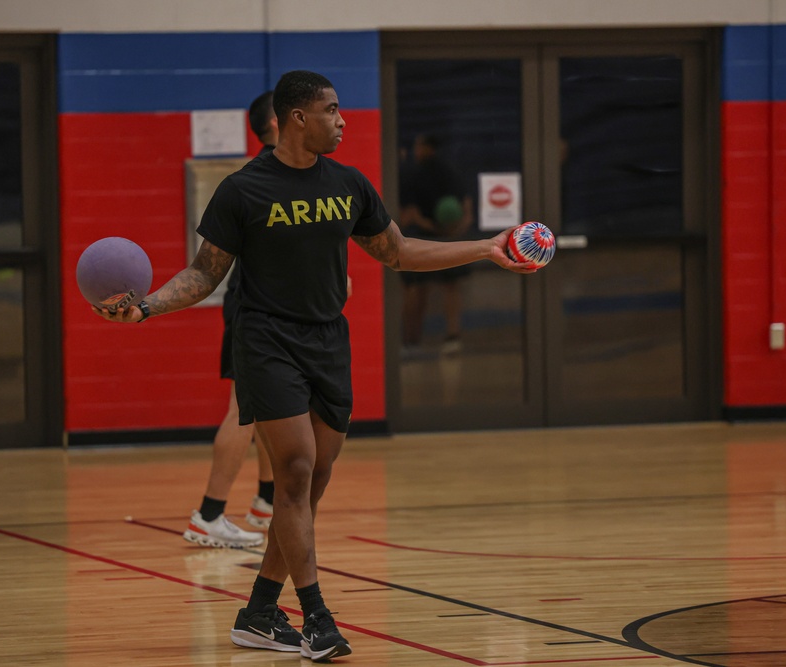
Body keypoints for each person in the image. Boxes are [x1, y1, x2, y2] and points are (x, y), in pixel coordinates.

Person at [94, 70, 535, 662]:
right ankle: (318, 619)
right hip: (266, 342)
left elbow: (399, 252)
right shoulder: (242, 190)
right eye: (332, 110)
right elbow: (204, 273)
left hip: (329, 342)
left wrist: (486, 248)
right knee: (296, 470)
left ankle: (257, 612)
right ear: (297, 118)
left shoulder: (348, 183)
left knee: (312, 483)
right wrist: (146, 308)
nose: (343, 120)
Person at [182, 90, 278, 549]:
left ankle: (266, 503)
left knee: (272, 409)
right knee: (243, 410)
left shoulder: (294, 171)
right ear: (282, 122)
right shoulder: (258, 179)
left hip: (279, 309)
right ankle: (209, 515)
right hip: (255, 308)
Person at [398, 133, 474, 352]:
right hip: (449, 237)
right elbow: (467, 209)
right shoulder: (451, 172)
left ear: (426, 148)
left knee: (416, 289)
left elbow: (409, 215)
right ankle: (453, 336)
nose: (415, 151)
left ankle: (411, 340)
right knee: (450, 287)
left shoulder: (413, 174)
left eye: (418, 146)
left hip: (421, 237)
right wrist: (453, 231)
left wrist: (430, 228)